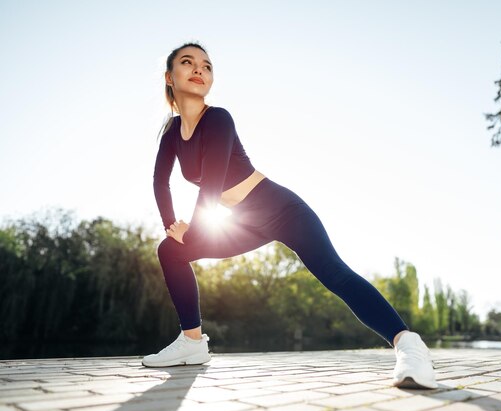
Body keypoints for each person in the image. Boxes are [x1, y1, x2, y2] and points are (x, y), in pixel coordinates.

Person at [143, 41, 438, 390]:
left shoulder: (219, 119)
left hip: (281, 210)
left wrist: (193, 230)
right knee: (170, 250)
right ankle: (192, 343)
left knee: (335, 275)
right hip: (243, 221)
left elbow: (212, 182)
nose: (199, 70)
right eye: (188, 62)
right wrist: (171, 226)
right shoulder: (172, 135)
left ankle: (408, 345)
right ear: (169, 76)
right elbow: (160, 181)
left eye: (206, 66)